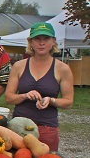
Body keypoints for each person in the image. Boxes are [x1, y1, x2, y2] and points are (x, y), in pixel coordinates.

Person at [5, 22, 74, 151]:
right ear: (30, 42)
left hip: (47, 128)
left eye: (46, 38)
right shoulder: (19, 66)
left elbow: (68, 102)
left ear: (53, 41)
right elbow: (9, 98)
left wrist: (51, 100)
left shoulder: (62, 69)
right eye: (37, 39)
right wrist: (25, 95)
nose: (41, 43)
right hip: (19, 127)